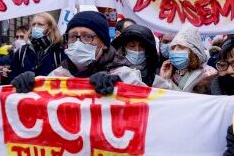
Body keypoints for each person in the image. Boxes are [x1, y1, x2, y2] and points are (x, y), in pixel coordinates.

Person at [12, 10, 140, 94]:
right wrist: (31, 89)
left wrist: (121, 88)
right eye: (73, 36)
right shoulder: (58, 75)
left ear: (104, 44)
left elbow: (148, 105)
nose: (78, 42)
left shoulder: (125, 74)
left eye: (87, 36)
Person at [154, 23, 216, 93]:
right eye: (173, 48)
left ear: (194, 51)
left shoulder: (208, 74)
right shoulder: (172, 73)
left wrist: (166, 83)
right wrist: (164, 79)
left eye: (181, 47)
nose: (175, 51)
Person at [10, 12, 63, 81]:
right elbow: (13, 79)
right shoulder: (21, 52)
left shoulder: (59, 51)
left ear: (49, 28)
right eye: (33, 24)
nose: (35, 27)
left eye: (40, 24)